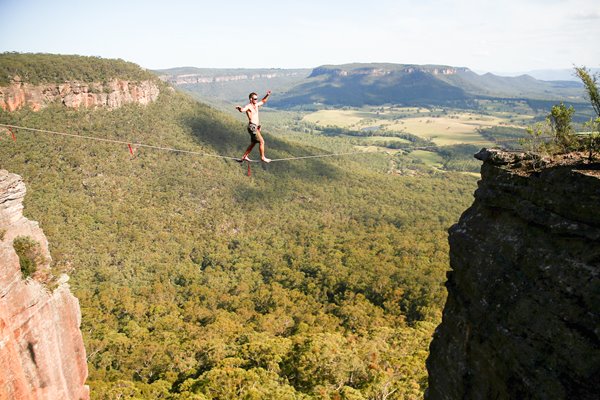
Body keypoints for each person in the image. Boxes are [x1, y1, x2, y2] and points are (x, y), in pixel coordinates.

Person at [236, 90, 272, 163]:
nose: (256, 100)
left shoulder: (256, 105)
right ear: (251, 99)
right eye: (255, 99)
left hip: (255, 127)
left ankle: (244, 156)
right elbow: (243, 110)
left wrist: (267, 95)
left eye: (256, 98)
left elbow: (263, 101)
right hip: (252, 127)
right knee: (262, 141)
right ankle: (262, 157)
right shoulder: (248, 106)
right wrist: (240, 108)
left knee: (254, 142)